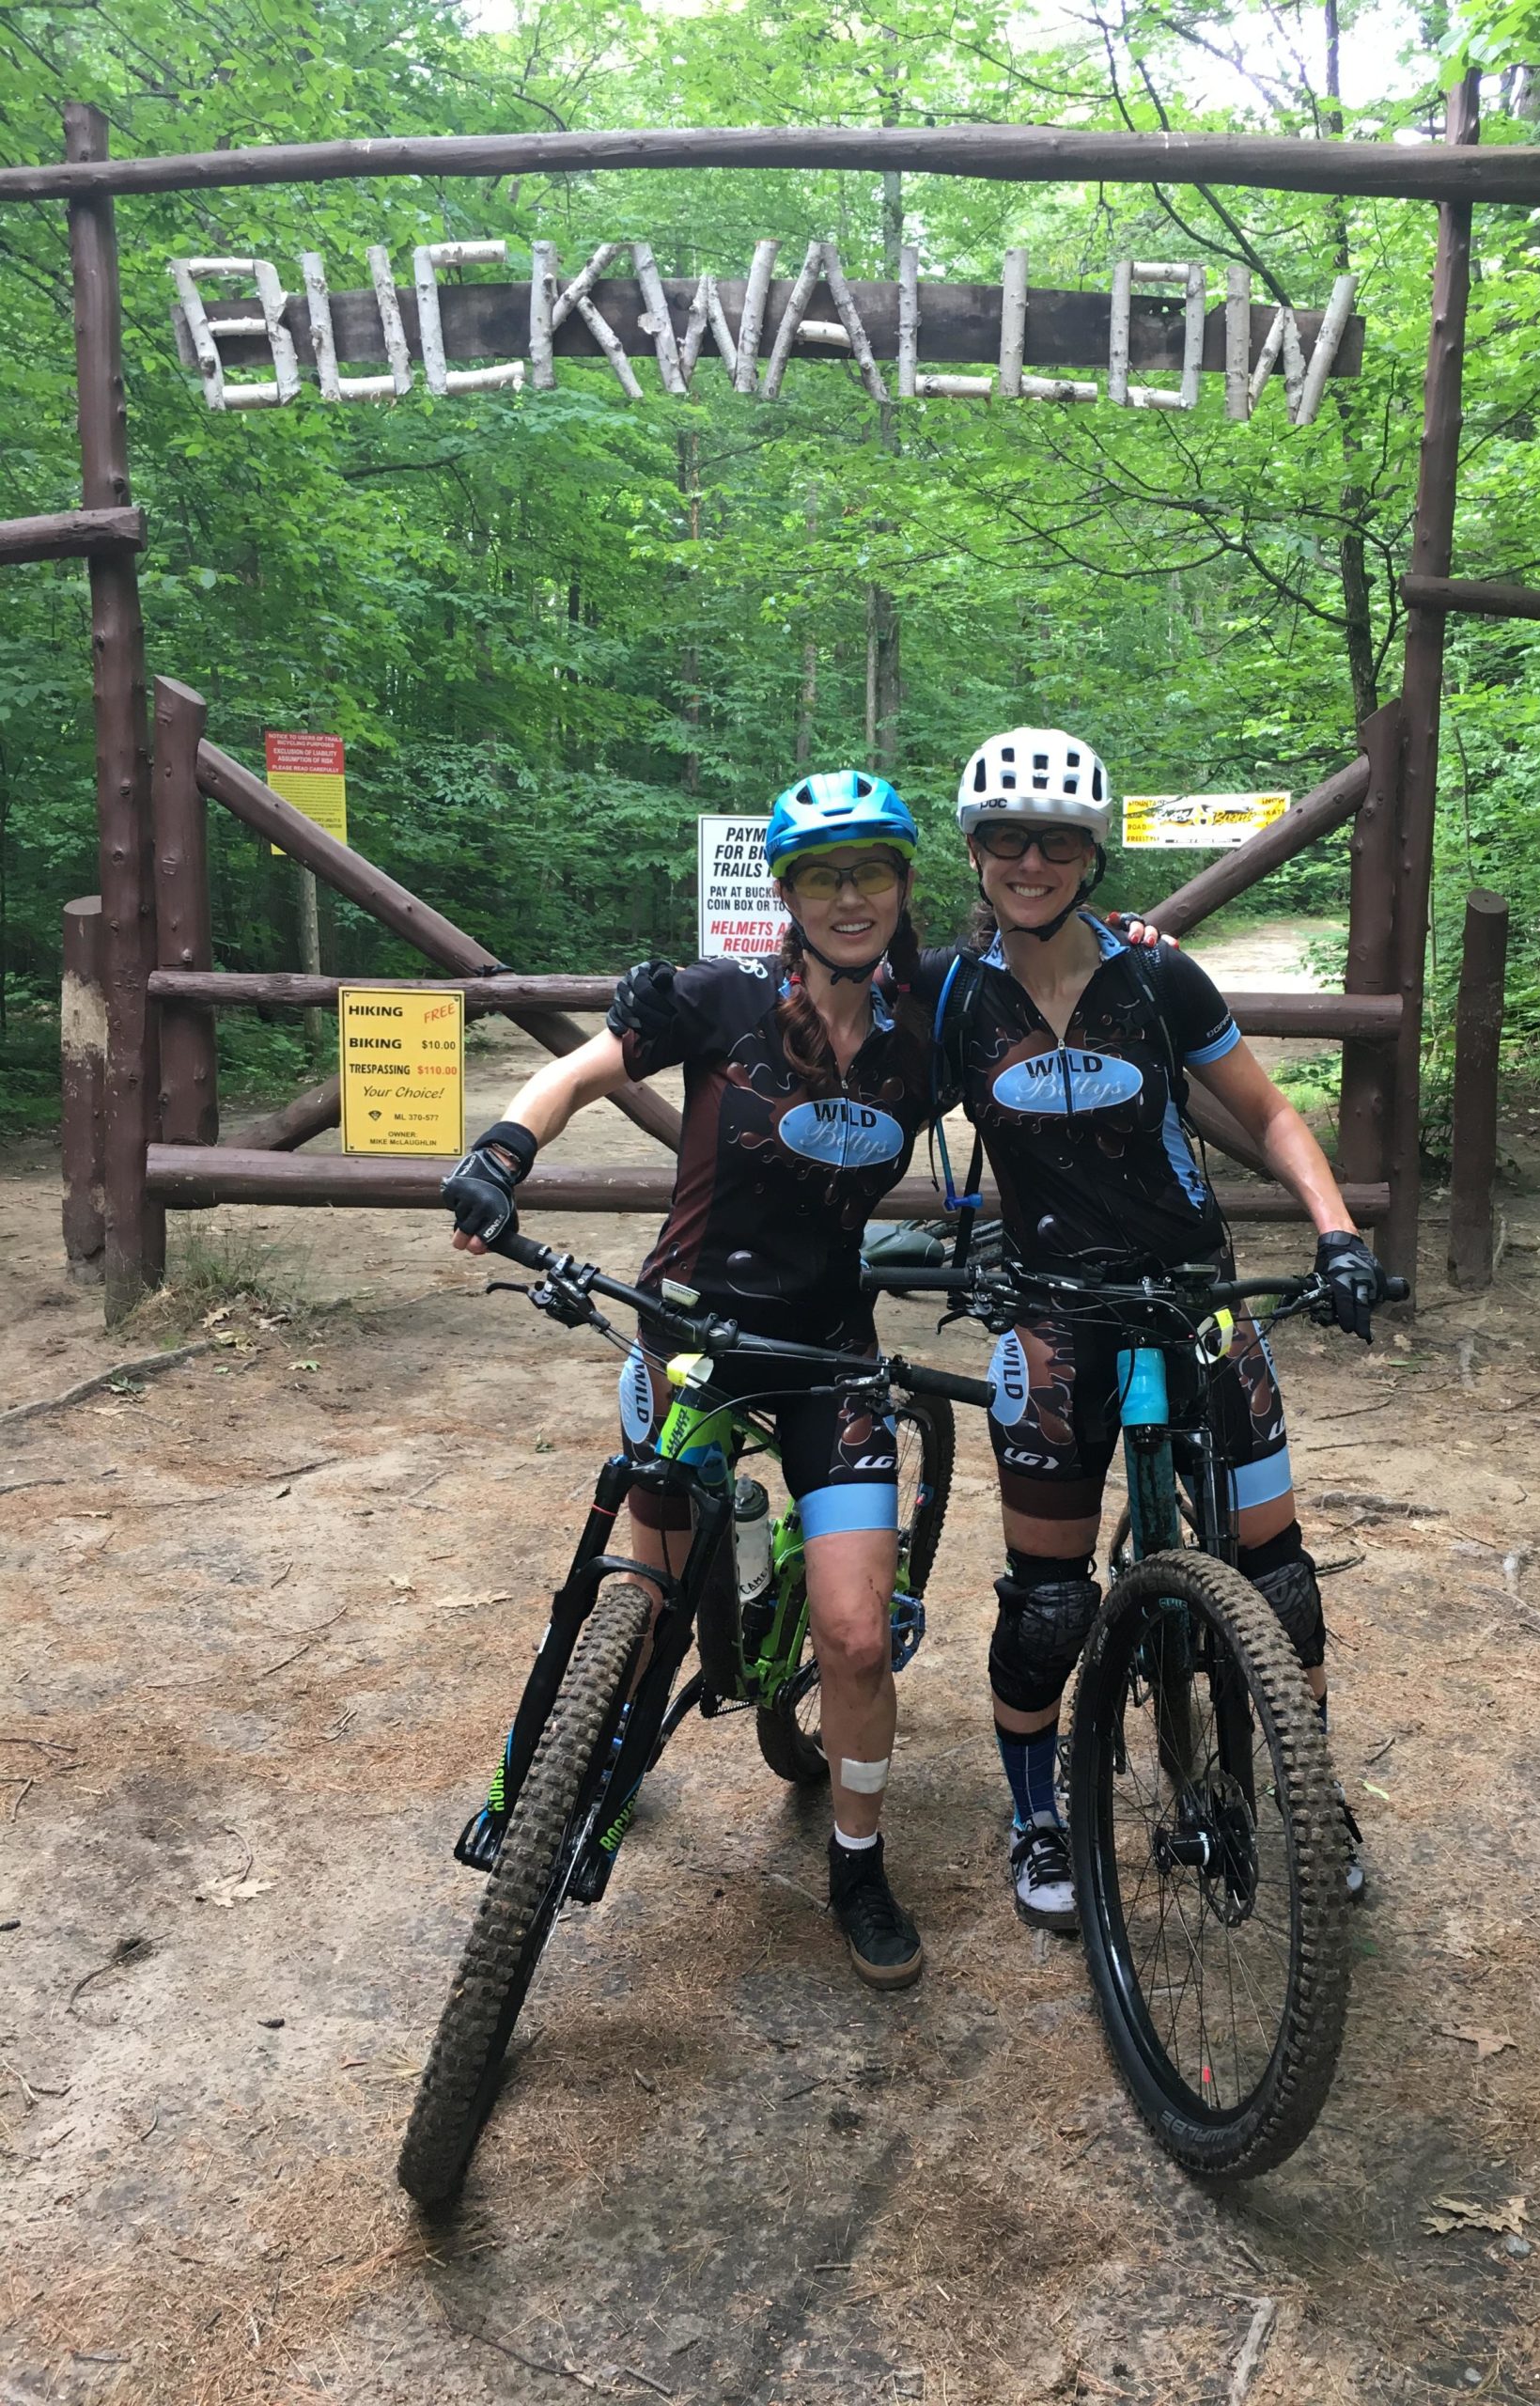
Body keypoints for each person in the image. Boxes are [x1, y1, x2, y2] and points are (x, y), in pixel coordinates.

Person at [441, 770, 935, 1990]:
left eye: (872, 868)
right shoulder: (719, 1001)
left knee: (859, 1641)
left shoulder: (929, 1036)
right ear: (788, 894)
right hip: (692, 1333)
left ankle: (857, 1863)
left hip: (829, 1356)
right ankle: (541, 1777)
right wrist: (502, 1152)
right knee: (636, 1595)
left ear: (904, 886)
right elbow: (584, 1071)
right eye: (823, 872)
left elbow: (1055, 1015)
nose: (849, 893)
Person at [916, 726, 1384, 1927]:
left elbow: (1270, 1115)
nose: (1032, 860)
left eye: (1057, 839)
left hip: (1197, 1297)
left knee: (1278, 1583)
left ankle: (1313, 1797)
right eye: (1008, 839)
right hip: (1053, 1313)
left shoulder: (1156, 975)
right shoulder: (950, 995)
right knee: (1050, 1599)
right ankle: (1035, 1814)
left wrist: (1335, 1232)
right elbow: (829, 1049)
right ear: (975, 853)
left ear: (1092, 854)